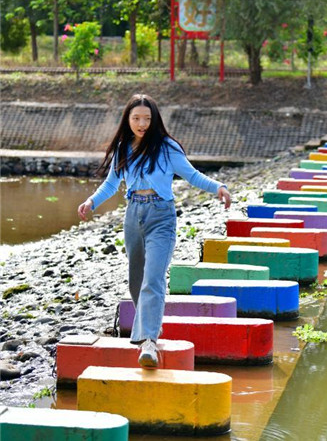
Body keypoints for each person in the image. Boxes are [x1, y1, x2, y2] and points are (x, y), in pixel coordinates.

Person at [77, 94, 231, 368]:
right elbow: (112, 185)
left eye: (147, 119)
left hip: (161, 216)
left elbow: (192, 175)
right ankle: (150, 328)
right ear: (127, 119)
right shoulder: (124, 148)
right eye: (136, 118)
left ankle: (148, 342)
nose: (142, 123)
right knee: (136, 281)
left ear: (155, 120)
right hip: (133, 215)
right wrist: (91, 201)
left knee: (153, 279)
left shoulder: (167, 147)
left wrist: (218, 187)